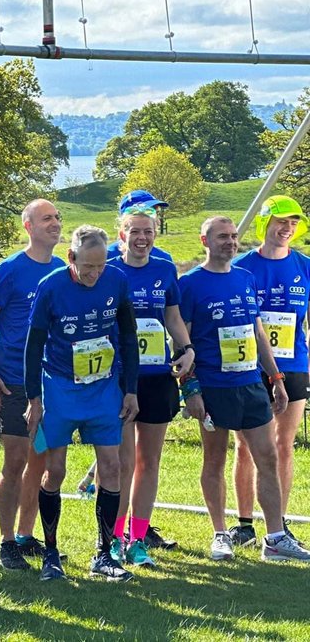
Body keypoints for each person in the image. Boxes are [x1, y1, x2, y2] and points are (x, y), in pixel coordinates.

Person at [179, 216, 310, 562]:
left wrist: (276, 377)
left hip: (251, 384)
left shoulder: (245, 278)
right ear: (205, 240)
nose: (230, 242)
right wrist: (190, 388)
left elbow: (257, 332)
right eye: (222, 237)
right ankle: (221, 534)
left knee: (267, 456)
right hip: (213, 387)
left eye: (234, 236)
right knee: (215, 458)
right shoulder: (190, 284)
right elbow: (182, 340)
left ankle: (276, 537)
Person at [25, 225, 140, 582]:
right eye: (87, 267)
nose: (94, 274)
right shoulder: (51, 287)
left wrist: (130, 389)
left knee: (112, 467)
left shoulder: (116, 282)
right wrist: (35, 399)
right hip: (60, 388)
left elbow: (128, 336)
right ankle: (51, 552)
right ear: (71, 258)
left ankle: (104, 553)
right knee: (55, 471)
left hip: (103, 387)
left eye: (100, 266)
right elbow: (33, 346)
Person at [0, 199, 65, 570]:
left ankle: (27, 535)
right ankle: (6, 541)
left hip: (50, 383)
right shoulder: (11, 269)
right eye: (47, 219)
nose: (55, 224)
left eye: (58, 218)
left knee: (42, 460)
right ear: (28, 226)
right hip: (12, 381)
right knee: (15, 460)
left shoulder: (63, 269)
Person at [107, 206, 196, 568]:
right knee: (121, 462)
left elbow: (172, 316)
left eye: (148, 232)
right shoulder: (110, 270)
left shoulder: (164, 270)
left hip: (159, 377)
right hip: (121, 379)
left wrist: (187, 349)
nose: (142, 238)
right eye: (135, 231)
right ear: (122, 234)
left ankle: (138, 538)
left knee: (150, 461)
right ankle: (112, 537)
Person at [230, 195, 310, 548]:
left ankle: (279, 524)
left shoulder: (304, 265)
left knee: (283, 445)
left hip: (294, 365)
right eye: (281, 222)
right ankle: (245, 523)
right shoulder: (243, 266)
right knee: (245, 447)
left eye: (293, 223)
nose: (286, 229)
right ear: (264, 224)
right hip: (250, 366)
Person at [107, 190, 174, 262]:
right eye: (147, 210)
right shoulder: (105, 256)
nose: (153, 217)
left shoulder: (164, 260)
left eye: (155, 212)